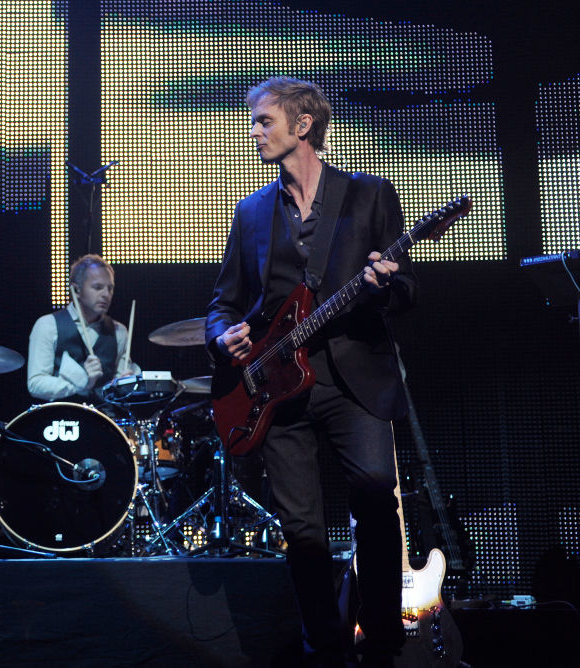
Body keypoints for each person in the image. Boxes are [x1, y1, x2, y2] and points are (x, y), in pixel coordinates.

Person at [205, 77, 416, 667]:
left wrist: (383, 287)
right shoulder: (249, 214)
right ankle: (323, 650)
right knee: (302, 529)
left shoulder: (371, 197)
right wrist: (222, 336)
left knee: (376, 498)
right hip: (274, 390)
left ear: (302, 126)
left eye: (263, 121)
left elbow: (407, 291)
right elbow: (223, 302)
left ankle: (381, 643)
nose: (252, 133)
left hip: (353, 379)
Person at [27, 254, 139, 402]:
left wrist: (124, 384)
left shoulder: (119, 331)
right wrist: (82, 382)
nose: (106, 294)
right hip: (61, 417)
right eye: (98, 287)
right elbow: (36, 384)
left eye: (110, 288)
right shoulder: (47, 325)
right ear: (76, 289)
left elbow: (116, 386)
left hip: (104, 419)